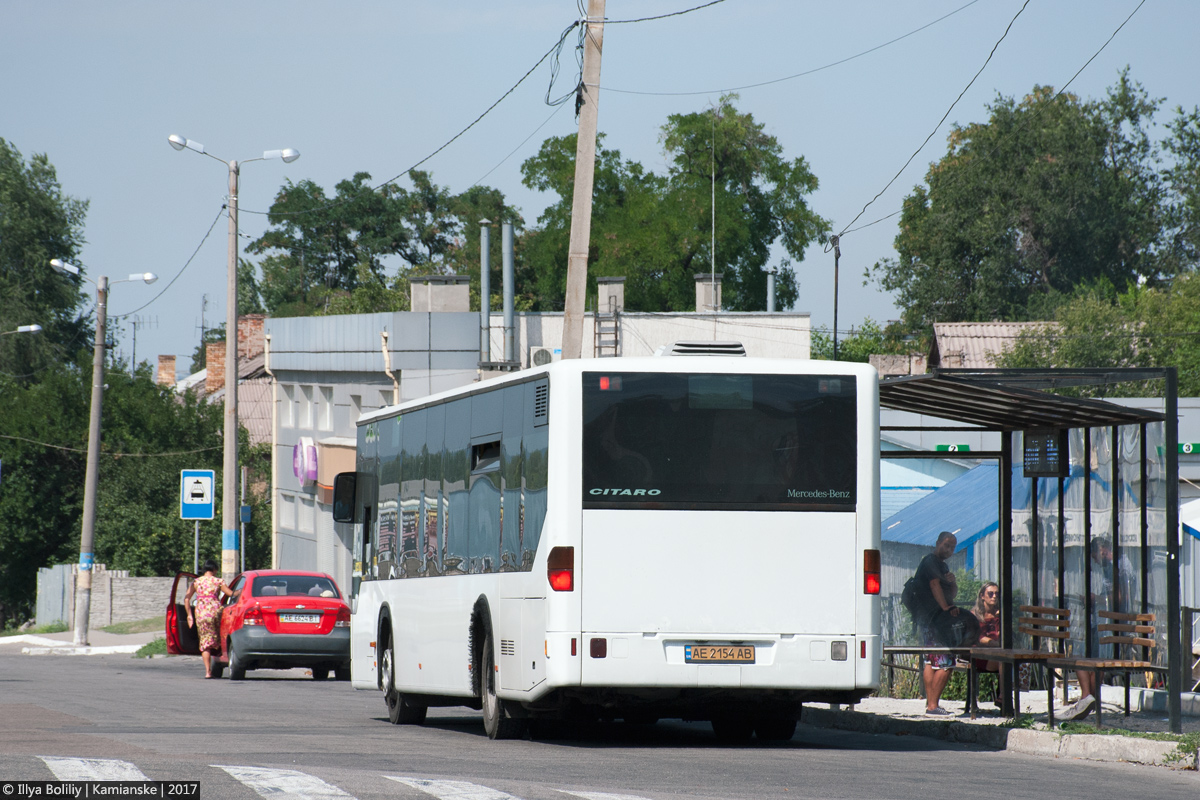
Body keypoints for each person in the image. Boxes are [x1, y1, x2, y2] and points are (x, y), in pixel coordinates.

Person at [916, 531, 959, 715]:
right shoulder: (931, 562)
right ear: (938, 543)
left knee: (930, 661)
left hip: (929, 619)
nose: (949, 550)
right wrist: (945, 609)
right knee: (946, 661)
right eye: (946, 545)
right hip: (935, 620)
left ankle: (931, 704)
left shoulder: (943, 566)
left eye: (952, 547)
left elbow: (952, 594)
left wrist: (953, 582)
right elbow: (934, 585)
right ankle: (933, 705)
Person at [184, 560, 233, 679]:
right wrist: (239, 592)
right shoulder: (218, 581)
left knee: (205, 642)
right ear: (214, 569)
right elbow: (230, 594)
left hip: (201, 613)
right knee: (220, 636)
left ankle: (208, 671)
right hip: (215, 612)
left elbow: (187, 599)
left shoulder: (196, 582)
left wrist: (189, 615)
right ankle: (221, 658)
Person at [971, 582, 1002, 679]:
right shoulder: (974, 615)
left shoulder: (999, 614)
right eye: (990, 594)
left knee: (1013, 660)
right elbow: (978, 638)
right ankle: (1004, 693)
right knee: (1004, 660)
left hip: (998, 652)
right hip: (981, 654)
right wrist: (994, 643)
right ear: (982, 596)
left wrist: (1002, 618)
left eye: (996, 594)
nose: (994, 596)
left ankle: (1017, 690)